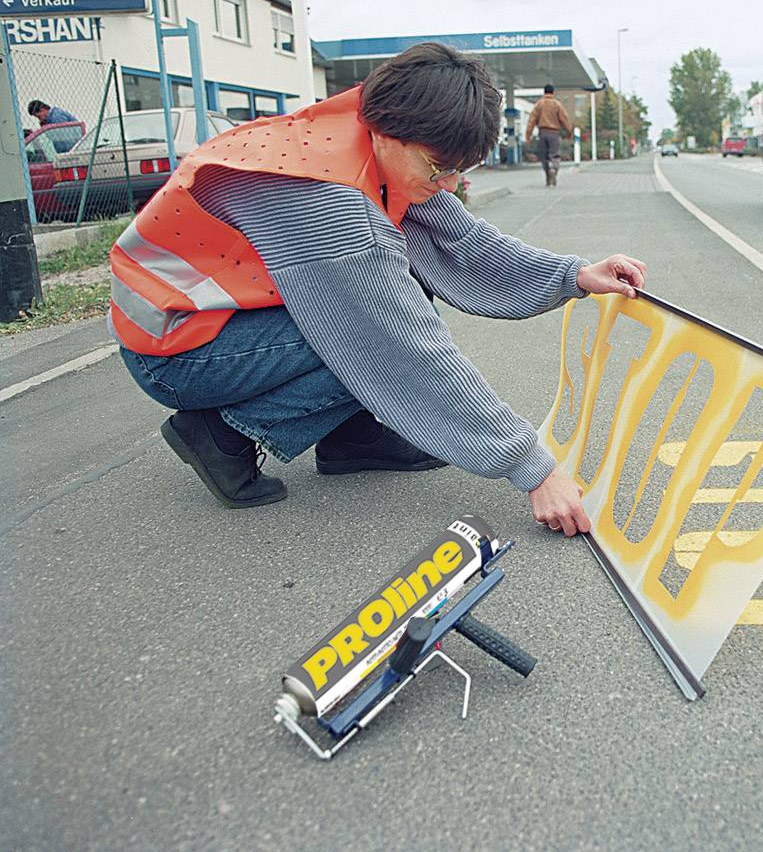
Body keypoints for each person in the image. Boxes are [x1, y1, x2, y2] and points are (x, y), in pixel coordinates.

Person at [109, 43, 645, 537]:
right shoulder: (327, 196)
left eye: (462, 169)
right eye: (441, 168)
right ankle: (223, 431)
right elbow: (400, 344)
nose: (450, 184)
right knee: (373, 322)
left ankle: (354, 437)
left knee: (395, 286)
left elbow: (460, 242)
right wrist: (533, 468)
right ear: (389, 133)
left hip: (214, 323)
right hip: (176, 353)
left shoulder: (369, 132)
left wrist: (574, 275)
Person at [525, 84, 572, 186]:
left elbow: (531, 120)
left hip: (542, 133)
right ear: (553, 92)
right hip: (554, 133)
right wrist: (569, 132)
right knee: (554, 155)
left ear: (544, 92)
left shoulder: (539, 104)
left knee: (544, 157)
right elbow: (564, 119)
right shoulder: (557, 104)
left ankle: (547, 176)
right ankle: (553, 170)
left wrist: (528, 134)